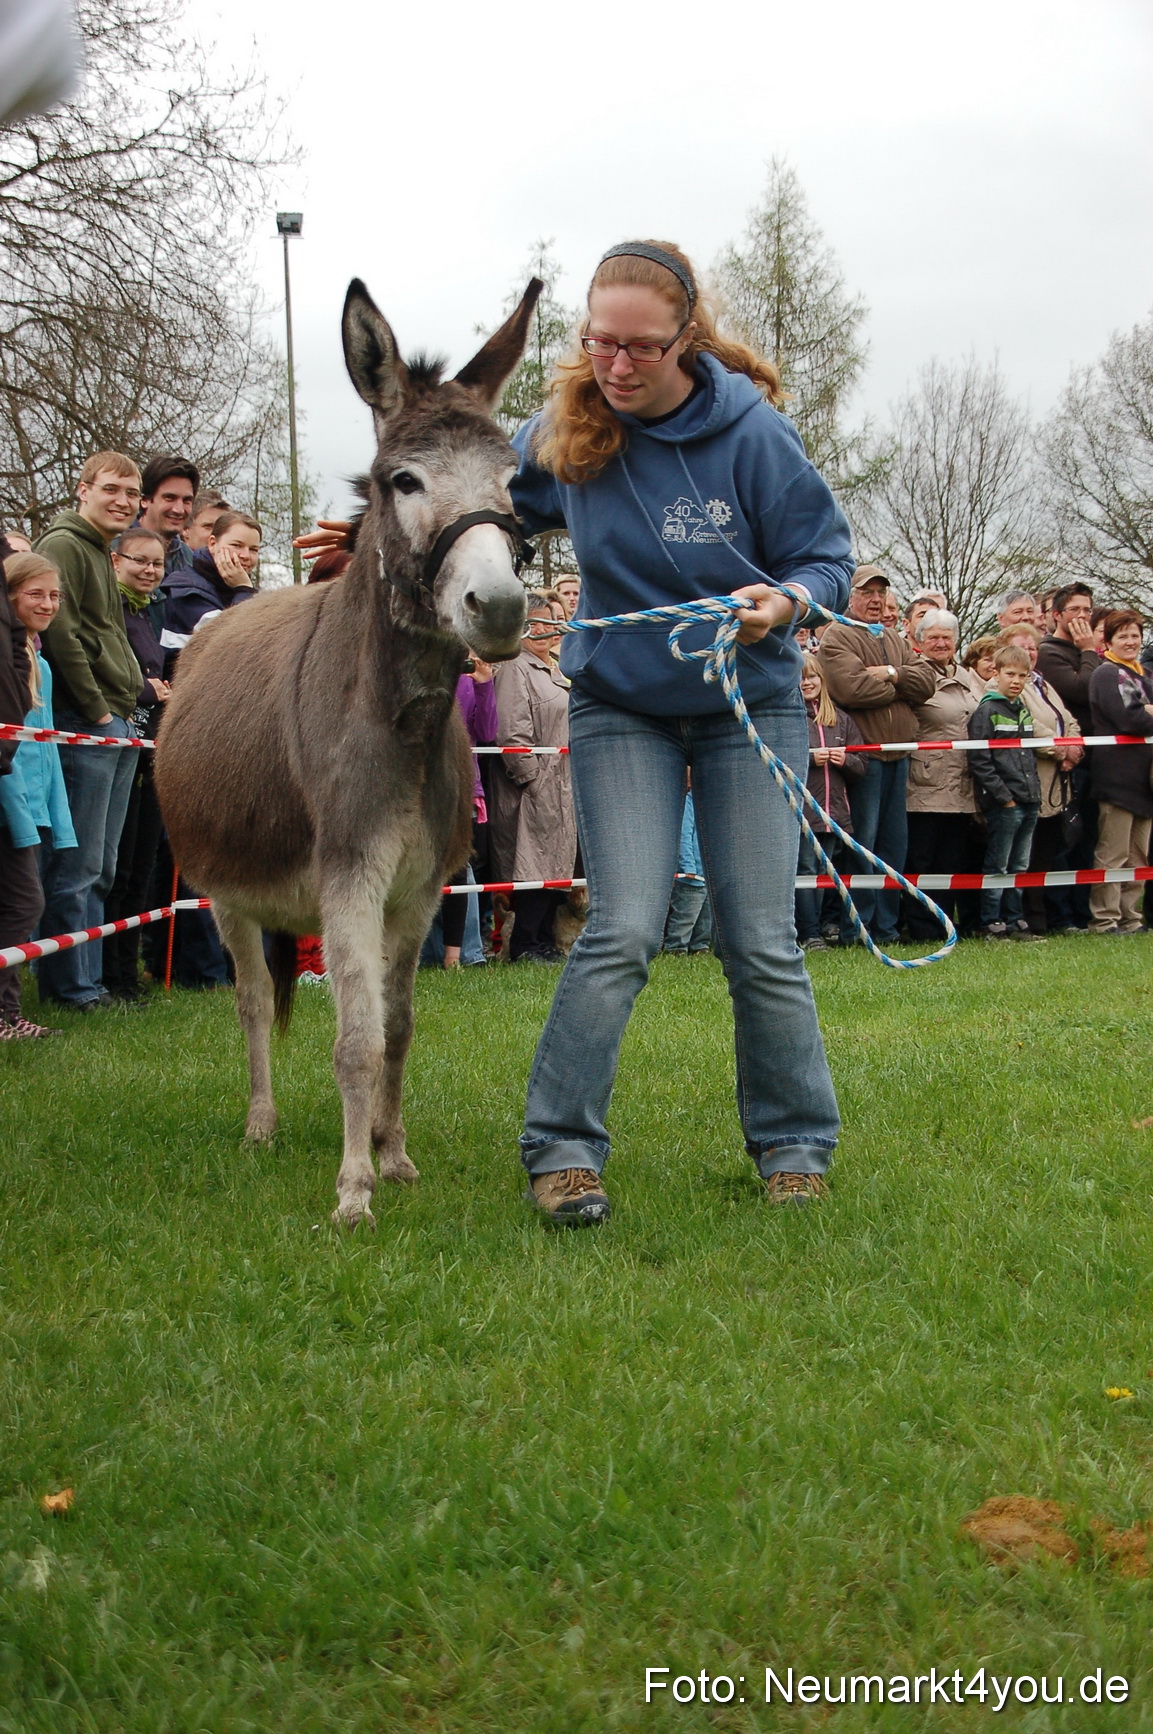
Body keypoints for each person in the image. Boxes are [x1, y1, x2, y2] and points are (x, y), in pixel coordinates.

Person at [504, 238, 853, 1221]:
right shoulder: (568, 424)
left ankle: (793, 1141)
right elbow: (483, 510)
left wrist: (782, 603)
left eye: (641, 348)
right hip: (621, 705)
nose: (615, 365)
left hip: (750, 703)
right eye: (597, 342)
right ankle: (561, 1148)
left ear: (687, 339)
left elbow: (826, 559)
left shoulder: (751, 435)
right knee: (620, 926)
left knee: (759, 936)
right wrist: (370, 535)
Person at [34, 452, 144, 1010]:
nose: (124, 500)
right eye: (112, 489)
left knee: (99, 866)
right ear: (83, 490)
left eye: (132, 491)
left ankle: (90, 984)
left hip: (116, 720)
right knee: (75, 866)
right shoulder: (63, 546)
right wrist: (99, 711)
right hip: (88, 723)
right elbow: (63, 633)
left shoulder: (98, 550)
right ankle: (71, 988)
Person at [818, 565, 936, 945]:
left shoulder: (894, 637)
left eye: (880, 593)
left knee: (893, 846)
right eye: (867, 592)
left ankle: (886, 927)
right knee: (862, 845)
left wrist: (888, 672)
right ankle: (859, 927)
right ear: (850, 597)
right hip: (861, 759)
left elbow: (927, 683)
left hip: (898, 757)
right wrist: (902, 683)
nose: (875, 600)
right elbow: (852, 691)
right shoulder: (837, 635)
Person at [0, 553, 73, 1037]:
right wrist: (22, 812)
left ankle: (8, 1011)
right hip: (10, 801)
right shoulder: (12, 659)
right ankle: (5, 1015)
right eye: (35, 594)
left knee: (25, 903)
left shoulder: (39, 662)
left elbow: (44, 751)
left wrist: (55, 815)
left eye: (54, 595)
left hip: (33, 803)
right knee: (24, 904)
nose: (47, 604)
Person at [102, 527, 172, 999]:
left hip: (151, 752)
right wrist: (146, 688)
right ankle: (104, 974)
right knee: (115, 869)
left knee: (140, 868)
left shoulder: (152, 614)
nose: (149, 571)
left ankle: (128, 974)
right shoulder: (112, 610)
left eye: (157, 564)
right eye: (139, 562)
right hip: (117, 747)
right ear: (115, 561)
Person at [488, 591, 576, 964]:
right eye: (534, 622)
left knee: (555, 867)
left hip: (563, 788)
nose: (544, 629)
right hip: (531, 791)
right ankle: (524, 944)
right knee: (532, 865)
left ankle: (544, 941)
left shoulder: (555, 668)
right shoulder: (514, 667)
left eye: (549, 621)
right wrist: (532, 779)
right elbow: (511, 732)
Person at [903, 610, 984, 941]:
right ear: (920, 641)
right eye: (933, 637)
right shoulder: (915, 675)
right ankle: (919, 926)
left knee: (952, 858)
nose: (940, 643)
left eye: (946, 637)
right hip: (926, 780)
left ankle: (944, 924)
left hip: (963, 781)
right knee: (922, 856)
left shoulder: (967, 676)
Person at [997, 624, 1082, 935]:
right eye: (1022, 647)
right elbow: (1026, 726)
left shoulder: (1042, 684)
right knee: (1023, 856)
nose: (1030, 653)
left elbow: (1067, 719)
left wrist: (1074, 746)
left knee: (1046, 853)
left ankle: (1041, 917)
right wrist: (1061, 750)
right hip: (1026, 781)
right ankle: (1019, 918)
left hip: (1055, 786)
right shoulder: (1007, 688)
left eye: (1033, 647)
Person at [967, 644, 1043, 940]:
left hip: (1030, 798)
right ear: (995, 674)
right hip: (1005, 802)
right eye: (1010, 674)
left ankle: (1015, 919)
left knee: (1020, 864)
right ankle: (992, 920)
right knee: (998, 864)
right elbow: (980, 760)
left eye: (1022, 675)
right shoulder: (987, 711)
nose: (1016, 680)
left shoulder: (1022, 710)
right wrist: (1004, 796)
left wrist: (1031, 793)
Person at [1087, 611, 1153, 934]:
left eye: (1135, 635)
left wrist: (1148, 710)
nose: (1130, 641)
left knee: (1138, 856)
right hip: (1116, 779)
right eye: (1123, 636)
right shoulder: (1107, 674)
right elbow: (1131, 720)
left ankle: (1131, 917)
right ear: (1108, 640)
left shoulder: (1144, 675)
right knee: (1113, 854)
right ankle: (1105, 919)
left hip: (1145, 782)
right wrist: (1146, 711)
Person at [795, 653, 865, 949]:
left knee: (827, 872)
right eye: (800, 677)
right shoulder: (792, 718)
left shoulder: (841, 719)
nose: (806, 682)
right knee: (806, 870)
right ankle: (807, 932)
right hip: (803, 812)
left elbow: (863, 764)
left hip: (835, 813)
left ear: (822, 681)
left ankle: (825, 925)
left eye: (811, 676)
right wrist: (809, 759)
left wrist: (845, 760)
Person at [439, 655, 498, 968]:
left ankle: (455, 957)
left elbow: (487, 732)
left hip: (463, 785)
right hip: (421, 783)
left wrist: (484, 684)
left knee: (459, 868)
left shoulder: (472, 674)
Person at [160, 510, 260, 664]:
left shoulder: (235, 589)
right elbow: (231, 646)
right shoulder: (186, 589)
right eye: (236, 545)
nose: (245, 555)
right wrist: (244, 589)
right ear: (213, 544)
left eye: (253, 549)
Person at [663, 778, 712, 954]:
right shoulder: (688, 804)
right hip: (692, 875)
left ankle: (700, 946)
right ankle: (675, 948)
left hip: (709, 875)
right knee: (685, 915)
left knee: (706, 917)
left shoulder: (714, 806)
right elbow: (683, 836)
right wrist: (688, 866)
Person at [137, 455, 200, 575]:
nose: (179, 510)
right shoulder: (116, 548)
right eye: (169, 498)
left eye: (187, 500)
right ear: (144, 500)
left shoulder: (190, 561)